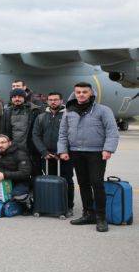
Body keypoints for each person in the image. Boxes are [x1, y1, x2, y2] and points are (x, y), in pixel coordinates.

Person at [58, 82, 119, 232]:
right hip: (76, 152)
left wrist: (108, 149)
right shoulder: (69, 110)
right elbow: (63, 133)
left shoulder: (103, 110)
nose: (81, 95)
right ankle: (88, 214)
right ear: (74, 93)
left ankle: (101, 217)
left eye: (85, 92)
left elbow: (112, 131)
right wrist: (63, 150)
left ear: (91, 93)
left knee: (96, 183)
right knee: (83, 183)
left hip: (96, 152)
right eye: (78, 92)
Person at [32, 92, 74, 216]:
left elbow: (72, 135)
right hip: (47, 155)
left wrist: (63, 151)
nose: (53, 102)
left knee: (66, 180)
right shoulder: (41, 116)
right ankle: (50, 204)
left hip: (64, 155)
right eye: (50, 100)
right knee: (49, 179)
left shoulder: (69, 115)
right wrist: (43, 151)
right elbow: (35, 135)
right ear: (47, 101)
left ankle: (68, 206)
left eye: (56, 99)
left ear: (61, 101)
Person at [1, 88, 42, 177]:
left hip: (30, 147)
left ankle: (35, 189)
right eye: (14, 97)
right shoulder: (7, 111)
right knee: (17, 171)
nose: (17, 99)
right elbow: (4, 131)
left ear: (24, 97)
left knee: (35, 170)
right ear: (11, 99)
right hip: (14, 148)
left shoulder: (34, 110)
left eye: (19, 96)